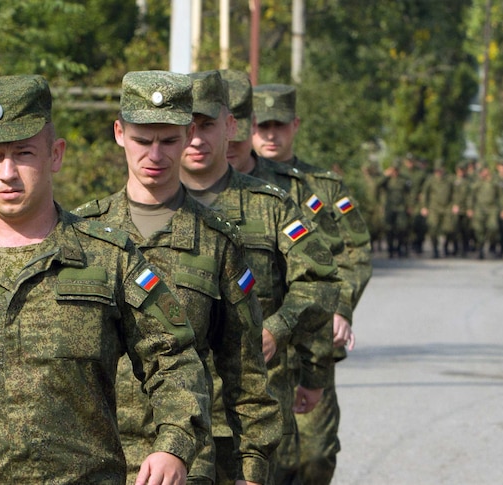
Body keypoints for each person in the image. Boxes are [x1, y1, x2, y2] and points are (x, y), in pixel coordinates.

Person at [0, 74, 211, 484]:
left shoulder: (109, 259)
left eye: (23, 153)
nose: (7, 172)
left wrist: (172, 446)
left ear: (55, 154)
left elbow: (175, 359)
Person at [73, 70, 282, 485]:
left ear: (188, 135)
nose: (155, 155)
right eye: (142, 140)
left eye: (169, 140)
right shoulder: (80, 234)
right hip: (89, 459)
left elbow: (246, 372)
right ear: (119, 132)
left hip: (186, 462)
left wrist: (251, 470)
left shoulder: (216, 240)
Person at [180, 72, 340, 485]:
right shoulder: (135, 215)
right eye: (185, 127)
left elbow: (319, 279)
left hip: (255, 413)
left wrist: (281, 332)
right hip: (169, 422)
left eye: (207, 126)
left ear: (231, 127)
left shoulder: (272, 206)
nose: (195, 139)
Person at [251, 83, 372, 485]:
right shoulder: (237, 184)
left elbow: (354, 252)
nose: (271, 134)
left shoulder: (325, 188)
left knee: (315, 456)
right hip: (260, 338)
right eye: (262, 125)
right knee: (266, 462)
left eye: (279, 125)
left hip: (311, 338)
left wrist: (341, 308)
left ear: (295, 125)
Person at [467, 164, 503, 259]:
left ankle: (492, 244)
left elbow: (501, 196)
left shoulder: (495, 182)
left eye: (485, 170)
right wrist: (470, 208)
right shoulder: (477, 182)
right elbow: (471, 196)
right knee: (478, 229)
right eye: (482, 171)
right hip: (479, 208)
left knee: (493, 227)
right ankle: (480, 249)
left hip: (492, 208)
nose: (484, 173)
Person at [376, 160, 412, 258]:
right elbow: (377, 185)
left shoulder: (403, 180)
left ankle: (400, 248)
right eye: (393, 169)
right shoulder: (387, 180)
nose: (395, 172)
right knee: (389, 229)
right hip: (389, 207)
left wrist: (409, 206)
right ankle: (390, 249)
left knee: (402, 228)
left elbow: (408, 194)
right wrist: (386, 175)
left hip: (401, 207)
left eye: (396, 170)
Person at [419, 161, 454, 258]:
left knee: (449, 229)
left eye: (440, 170)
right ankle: (435, 249)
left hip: (447, 207)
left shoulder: (448, 180)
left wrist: (454, 205)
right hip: (434, 207)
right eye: (437, 170)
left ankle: (446, 246)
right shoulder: (430, 180)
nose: (439, 172)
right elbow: (424, 193)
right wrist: (424, 207)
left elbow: (453, 193)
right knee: (433, 228)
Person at [449, 161, 473, 257]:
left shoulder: (469, 181)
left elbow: (471, 195)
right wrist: (453, 205)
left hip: (465, 209)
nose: (461, 172)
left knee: (465, 230)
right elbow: (449, 194)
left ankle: (464, 249)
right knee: (454, 229)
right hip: (455, 209)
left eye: (463, 170)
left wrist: (470, 208)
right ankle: (455, 248)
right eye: (460, 170)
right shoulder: (452, 180)